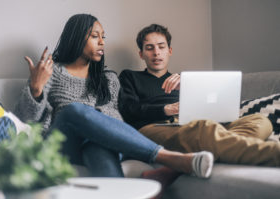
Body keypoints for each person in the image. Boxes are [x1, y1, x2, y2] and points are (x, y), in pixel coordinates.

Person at [14, 14, 214, 179]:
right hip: (62, 145)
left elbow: (115, 117)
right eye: (95, 36)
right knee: (74, 110)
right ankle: (166, 157)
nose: (102, 42)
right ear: (76, 38)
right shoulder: (51, 72)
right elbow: (23, 122)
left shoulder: (108, 78)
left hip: (97, 141)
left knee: (97, 147)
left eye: (103, 37)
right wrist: (36, 88)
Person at [118, 23, 280, 167]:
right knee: (204, 129)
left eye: (161, 46)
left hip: (191, 125)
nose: (156, 53)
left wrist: (187, 89)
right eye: (149, 48)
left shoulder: (185, 80)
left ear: (170, 50)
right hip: (153, 128)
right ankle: (273, 154)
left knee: (260, 120)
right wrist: (167, 109)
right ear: (141, 54)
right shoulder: (129, 76)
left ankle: (214, 150)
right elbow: (129, 109)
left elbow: (208, 107)